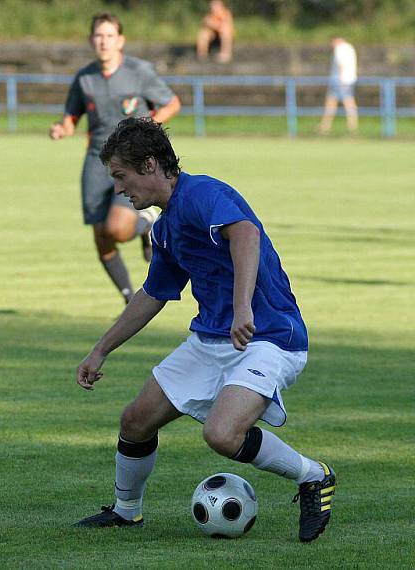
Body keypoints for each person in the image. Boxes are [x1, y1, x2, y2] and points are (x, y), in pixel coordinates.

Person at [74, 117, 336, 543]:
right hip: (213, 339)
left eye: (121, 176)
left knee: (221, 434)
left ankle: (314, 477)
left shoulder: (203, 194)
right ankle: (126, 512)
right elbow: (153, 294)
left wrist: (240, 309)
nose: (119, 189)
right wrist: (100, 350)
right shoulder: (164, 228)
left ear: (150, 165)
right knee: (136, 421)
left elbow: (247, 235)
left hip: (268, 337)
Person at [50, 12, 181, 305]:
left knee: (118, 229)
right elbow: (72, 116)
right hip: (97, 162)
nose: (104, 41)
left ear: (120, 40)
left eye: (109, 36)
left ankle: (146, 224)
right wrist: (62, 128)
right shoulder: (84, 78)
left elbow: (172, 103)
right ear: (90, 40)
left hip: (133, 162)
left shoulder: (139, 71)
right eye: (98, 36)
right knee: (101, 237)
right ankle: (127, 299)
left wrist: (145, 130)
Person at [318, 37, 358, 135]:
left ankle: (352, 127)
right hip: (348, 79)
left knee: (347, 102)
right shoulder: (350, 47)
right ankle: (325, 126)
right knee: (331, 102)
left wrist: (340, 79)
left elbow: (341, 64)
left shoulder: (340, 49)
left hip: (340, 80)